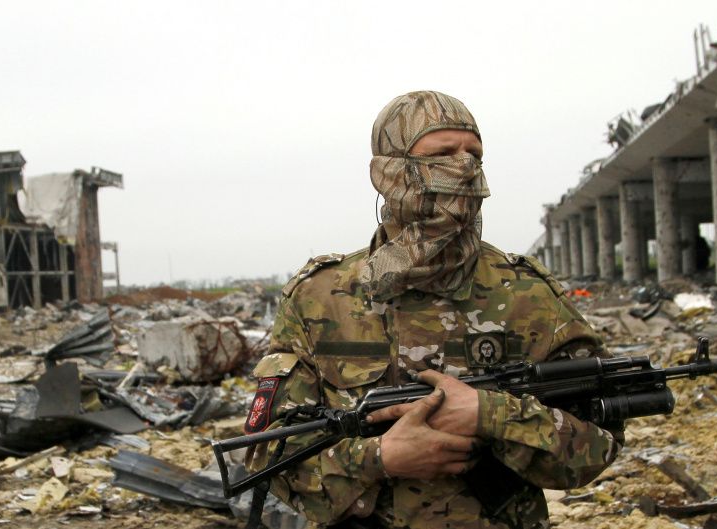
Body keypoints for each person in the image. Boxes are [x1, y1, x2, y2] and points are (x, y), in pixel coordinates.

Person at [243, 91, 622, 529]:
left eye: (474, 155)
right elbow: (267, 454)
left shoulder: (528, 294)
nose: (465, 168)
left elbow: (598, 446)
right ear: (388, 171)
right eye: (442, 155)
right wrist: (380, 458)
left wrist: (490, 414)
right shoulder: (319, 296)